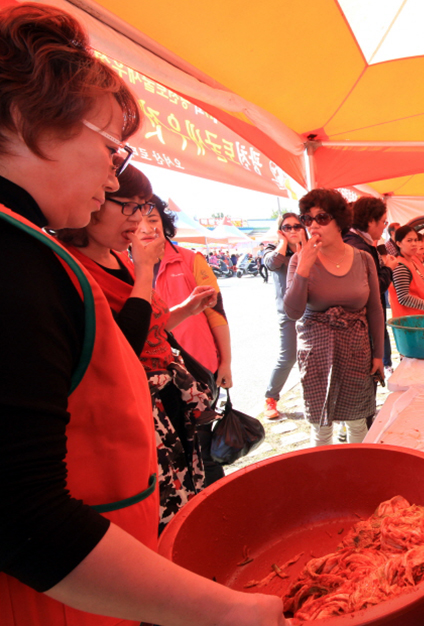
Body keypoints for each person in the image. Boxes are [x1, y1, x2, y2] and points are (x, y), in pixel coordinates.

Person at [0, 5, 284, 624]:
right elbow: (21, 515)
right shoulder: (14, 260)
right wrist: (226, 611)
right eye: (111, 148)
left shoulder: (30, 244)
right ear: (24, 123)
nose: (114, 173)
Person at [55, 165, 220, 529]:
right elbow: (118, 348)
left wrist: (183, 311)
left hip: (167, 401)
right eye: (129, 206)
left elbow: (146, 326)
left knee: (187, 497)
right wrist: (145, 271)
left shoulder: (118, 257)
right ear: (94, 196)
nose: (139, 219)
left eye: (145, 208)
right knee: (155, 511)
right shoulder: (72, 265)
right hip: (132, 411)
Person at [137, 194, 232, 485]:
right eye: (139, 220)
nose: (146, 228)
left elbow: (216, 312)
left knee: (205, 451)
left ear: (164, 224)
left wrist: (226, 361)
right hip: (155, 377)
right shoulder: (127, 265)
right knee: (175, 454)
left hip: (200, 368)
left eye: (153, 220)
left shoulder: (190, 259)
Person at [284, 189, 384, 446]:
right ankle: (325, 478)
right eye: (307, 219)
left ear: (339, 220)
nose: (313, 224)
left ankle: (358, 474)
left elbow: (374, 308)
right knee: (321, 424)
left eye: (322, 217)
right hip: (317, 353)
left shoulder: (363, 259)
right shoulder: (299, 260)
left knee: (358, 421)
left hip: (356, 350)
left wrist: (378, 355)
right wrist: (304, 266)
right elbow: (293, 311)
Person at [260, 212, 307, 419]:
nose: (293, 230)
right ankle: (271, 397)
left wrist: (305, 245)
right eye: (287, 227)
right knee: (287, 356)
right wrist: (282, 242)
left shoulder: (311, 249)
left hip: (312, 312)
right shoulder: (274, 251)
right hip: (288, 313)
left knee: (314, 357)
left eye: (297, 226)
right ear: (281, 231)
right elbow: (271, 264)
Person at [344, 196, 397, 374]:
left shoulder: (359, 243)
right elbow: (373, 289)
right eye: (383, 222)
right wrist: (388, 269)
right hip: (361, 327)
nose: (384, 226)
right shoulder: (359, 248)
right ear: (370, 221)